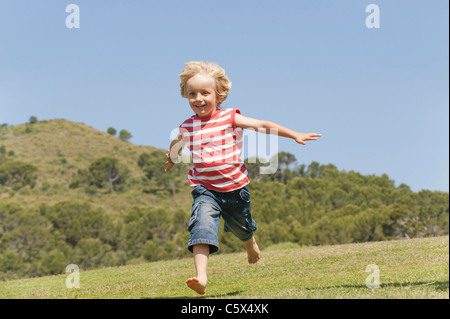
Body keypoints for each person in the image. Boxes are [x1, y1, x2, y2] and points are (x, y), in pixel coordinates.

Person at [165, 61, 321, 295]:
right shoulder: (187, 126)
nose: (198, 98)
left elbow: (261, 125)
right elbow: (177, 144)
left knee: (242, 227)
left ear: (219, 95)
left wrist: (294, 135)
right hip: (205, 189)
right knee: (201, 225)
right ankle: (201, 277)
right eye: (192, 94)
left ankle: (250, 242)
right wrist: (172, 157)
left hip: (235, 189)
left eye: (205, 93)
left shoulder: (229, 117)